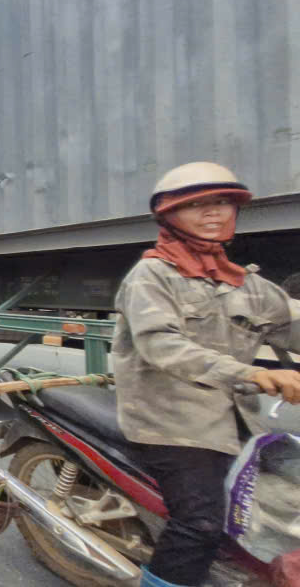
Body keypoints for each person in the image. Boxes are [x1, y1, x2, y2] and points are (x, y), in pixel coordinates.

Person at [111, 162, 300, 587]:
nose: (213, 213)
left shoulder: (245, 283)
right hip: (170, 424)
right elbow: (163, 346)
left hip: (234, 419)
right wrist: (252, 373)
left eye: (222, 203)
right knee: (199, 525)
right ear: (169, 217)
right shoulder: (151, 277)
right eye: (196, 205)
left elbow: (291, 320)